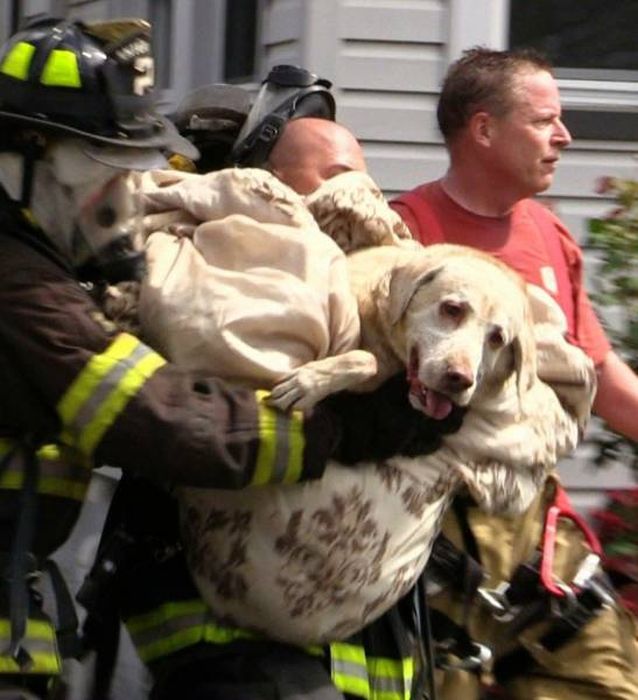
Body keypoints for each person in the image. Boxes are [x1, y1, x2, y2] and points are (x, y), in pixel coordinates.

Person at [0, 18, 440, 700]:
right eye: (96, 170)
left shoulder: (48, 270)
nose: (115, 199)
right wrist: (334, 430)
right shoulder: (19, 282)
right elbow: (157, 416)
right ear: (23, 154)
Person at [390, 46, 638, 700]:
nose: (565, 136)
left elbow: (602, 377)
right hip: (435, 523)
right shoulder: (406, 235)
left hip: (535, 518)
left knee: (603, 680)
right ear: (483, 129)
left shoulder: (551, 236)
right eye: (544, 120)